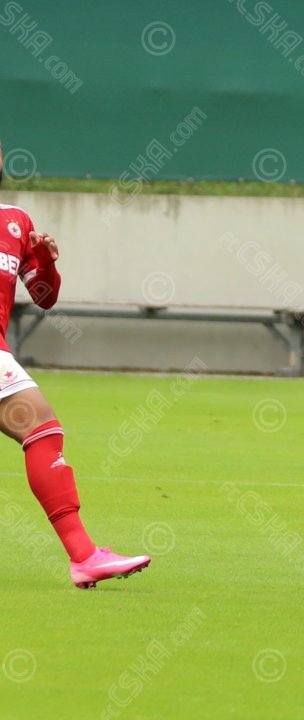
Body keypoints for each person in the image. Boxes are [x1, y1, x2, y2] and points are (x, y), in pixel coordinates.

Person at [0, 140, 151, 588]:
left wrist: (44, 262)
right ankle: (84, 556)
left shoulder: (15, 220)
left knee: (42, 430)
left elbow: (45, 298)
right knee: (42, 428)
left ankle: (85, 556)